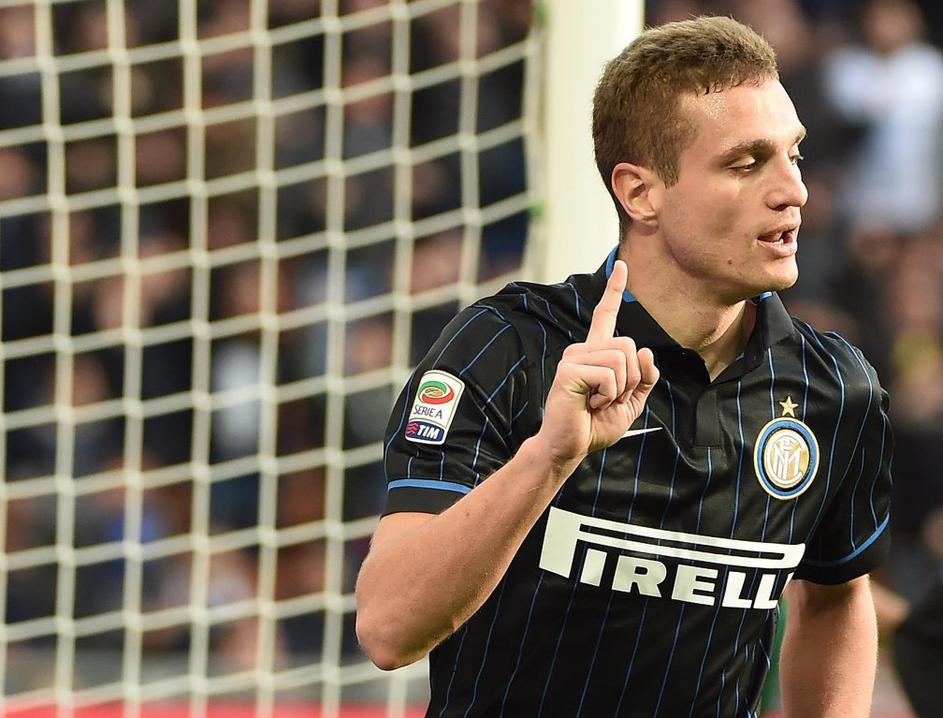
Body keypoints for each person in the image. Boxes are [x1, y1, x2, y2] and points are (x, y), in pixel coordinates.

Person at [355, 16, 893, 718]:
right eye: (745, 163)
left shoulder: (835, 388)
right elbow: (388, 629)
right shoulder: (507, 347)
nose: (792, 190)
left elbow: (835, 597)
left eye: (793, 154)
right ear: (640, 193)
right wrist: (547, 459)